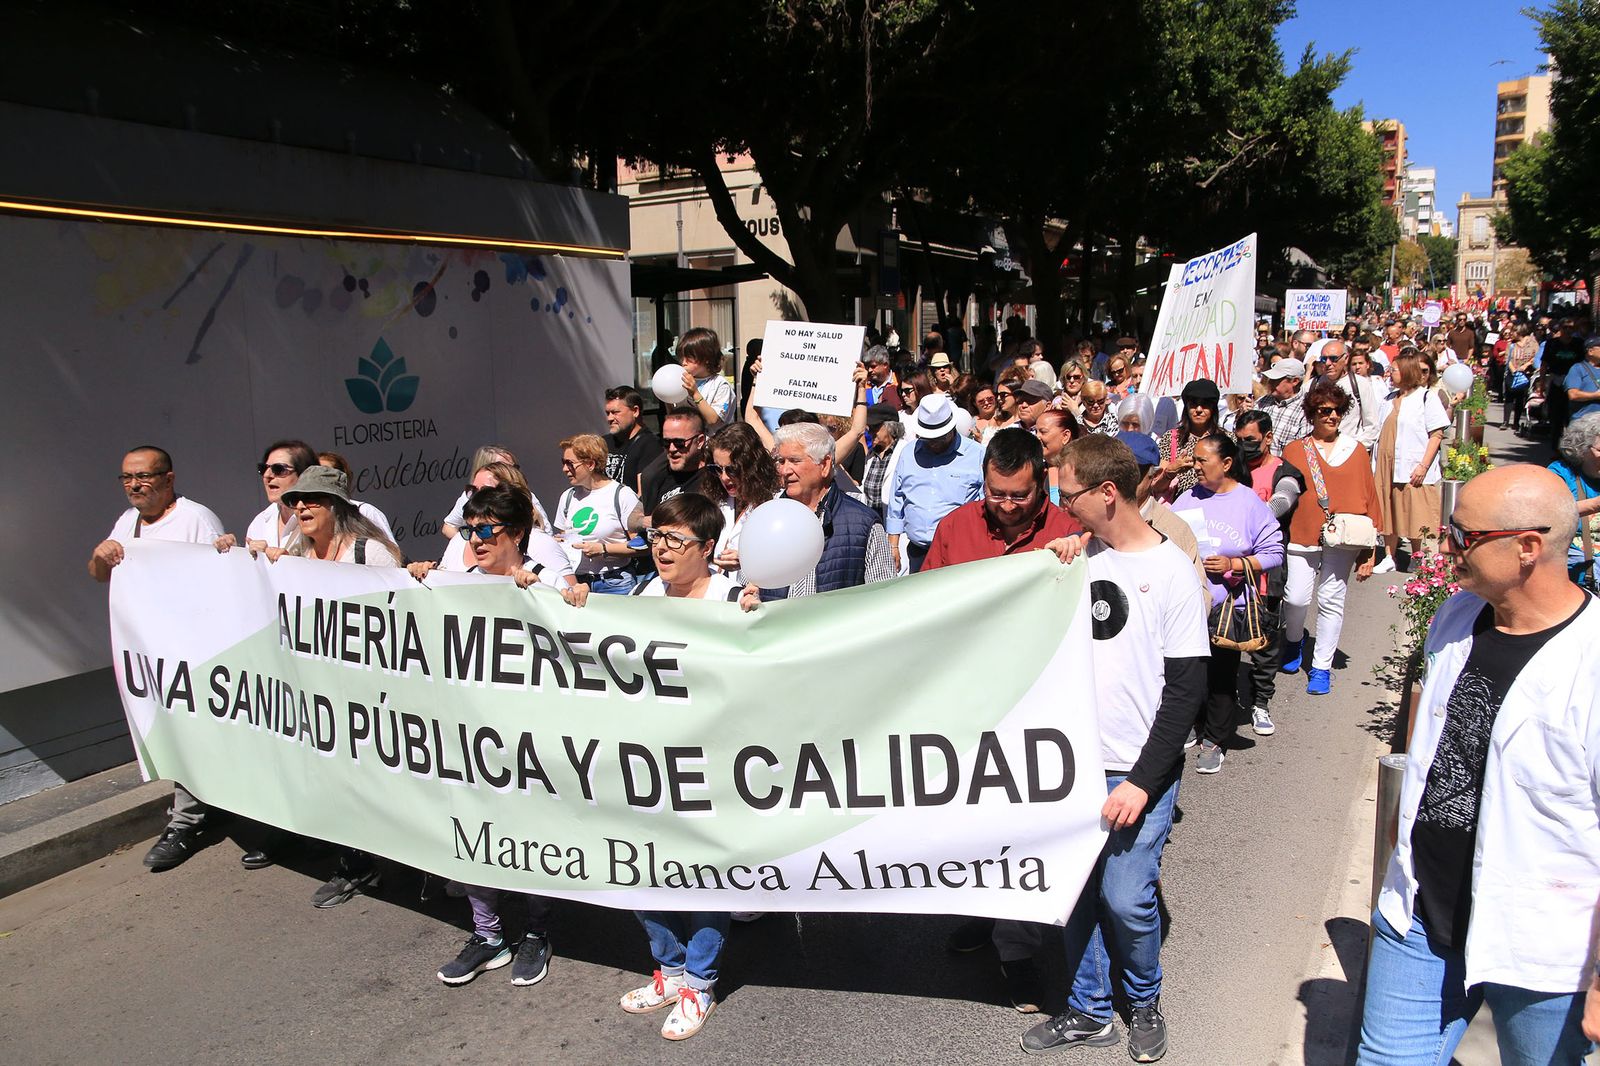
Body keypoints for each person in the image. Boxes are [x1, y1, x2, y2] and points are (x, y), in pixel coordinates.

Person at [1355, 465, 1600, 1066]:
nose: (1444, 547)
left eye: (1463, 536)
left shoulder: (1590, 665)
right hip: (1419, 912)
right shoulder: (1457, 616)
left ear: (1527, 547)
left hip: (1545, 945)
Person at [1020, 434, 1210, 1061]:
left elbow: (1185, 695)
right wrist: (1063, 553)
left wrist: (1143, 780)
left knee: (1126, 897)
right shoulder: (1078, 557)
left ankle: (1145, 997)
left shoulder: (1173, 572)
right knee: (1076, 893)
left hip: (1137, 769)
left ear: (1107, 494)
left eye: (1066, 496)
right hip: (1073, 764)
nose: (1058, 506)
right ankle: (1089, 1009)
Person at [427, 486, 563, 986]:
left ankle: (536, 932)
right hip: (471, 736)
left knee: (528, 835)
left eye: (487, 529)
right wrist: (421, 581)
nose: (476, 540)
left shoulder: (546, 579)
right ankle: (487, 937)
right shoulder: (454, 583)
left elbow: (581, 617)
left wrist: (546, 591)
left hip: (531, 738)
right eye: (469, 529)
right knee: (473, 832)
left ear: (519, 532)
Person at [267, 465, 400, 906]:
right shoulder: (293, 555)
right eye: (296, 500)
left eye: (313, 500)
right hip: (316, 688)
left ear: (337, 507)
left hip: (367, 690)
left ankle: (410, 851)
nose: (301, 506)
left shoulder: (370, 555)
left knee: (374, 777)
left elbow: (400, 620)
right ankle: (357, 866)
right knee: (334, 775)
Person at [89, 446, 226, 872]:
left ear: (168, 478)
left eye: (144, 476)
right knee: (173, 734)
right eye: (127, 478)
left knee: (195, 733)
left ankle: (186, 823)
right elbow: (99, 574)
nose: (134, 485)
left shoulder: (195, 519)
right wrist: (100, 554)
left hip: (195, 652)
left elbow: (221, 583)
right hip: (150, 654)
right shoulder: (128, 523)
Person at [1172, 435, 1283, 773]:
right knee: (1189, 673)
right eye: (1194, 460)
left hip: (1228, 608)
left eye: (1202, 461)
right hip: (1189, 604)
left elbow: (1274, 553)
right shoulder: (1186, 499)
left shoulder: (1248, 503)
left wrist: (1233, 565)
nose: (1196, 467)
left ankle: (1214, 740)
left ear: (1226, 463)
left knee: (1221, 676)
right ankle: (1192, 724)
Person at [1277, 383, 1381, 697]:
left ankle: (1321, 666)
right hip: (1302, 533)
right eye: (1325, 410)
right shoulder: (1295, 450)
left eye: (1337, 410)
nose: (1332, 416)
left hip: (1344, 537)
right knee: (1295, 598)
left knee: (1332, 600)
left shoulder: (1357, 450)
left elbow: (1370, 496)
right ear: (1312, 414)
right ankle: (1294, 640)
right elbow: (1285, 495)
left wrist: (1370, 551)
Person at [1233, 411, 1304, 736]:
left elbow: (1282, 501)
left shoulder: (1285, 473)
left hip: (1265, 574)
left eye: (1251, 440)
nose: (1245, 446)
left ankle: (1261, 702)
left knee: (1263, 643)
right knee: (1226, 641)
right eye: (1240, 439)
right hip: (1230, 574)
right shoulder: (1231, 466)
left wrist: (1245, 514)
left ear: (1268, 437)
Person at [765, 422, 895, 596]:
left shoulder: (864, 525)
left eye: (794, 461)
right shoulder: (767, 519)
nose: (784, 470)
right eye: (781, 461)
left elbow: (884, 599)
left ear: (825, 465)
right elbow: (749, 585)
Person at [885, 394, 984, 573]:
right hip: (918, 554)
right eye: (927, 437)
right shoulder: (909, 454)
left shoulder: (977, 455)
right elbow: (897, 499)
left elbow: (986, 503)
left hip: (960, 554)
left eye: (938, 437)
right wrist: (893, 545)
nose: (933, 443)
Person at [1375, 353, 1450, 560]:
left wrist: (1423, 466)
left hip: (1412, 464)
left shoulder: (1426, 397)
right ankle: (1389, 556)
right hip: (1386, 464)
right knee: (1388, 509)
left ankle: (1419, 558)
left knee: (1417, 513)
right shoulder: (1389, 398)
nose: (1390, 373)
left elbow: (1436, 434)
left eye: (1395, 369)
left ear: (1407, 372)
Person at [552, 433, 645, 594]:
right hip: (578, 583)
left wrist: (603, 549)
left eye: (570, 463)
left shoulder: (621, 495)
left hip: (615, 583)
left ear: (590, 464)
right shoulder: (567, 497)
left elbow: (642, 545)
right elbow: (564, 537)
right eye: (563, 462)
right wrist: (559, 541)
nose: (564, 469)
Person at [705, 421, 781, 577]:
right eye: (717, 469)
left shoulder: (777, 503)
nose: (724, 477)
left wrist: (748, 559)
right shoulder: (714, 500)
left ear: (752, 465)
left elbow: (785, 553)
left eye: (732, 469)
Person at [1153, 378, 1227, 502]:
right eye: (1193, 403)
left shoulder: (1226, 440)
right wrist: (1170, 472)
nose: (1198, 409)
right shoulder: (1171, 438)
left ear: (1213, 408)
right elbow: (1157, 487)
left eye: (1205, 404)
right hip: (1178, 511)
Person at [1549, 412, 1600, 588]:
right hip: (1579, 569)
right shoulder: (1561, 473)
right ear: (1582, 448)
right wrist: (1595, 504)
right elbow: (1545, 513)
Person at [639, 406, 713, 521]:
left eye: (679, 443)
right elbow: (634, 517)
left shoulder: (712, 481)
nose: (672, 449)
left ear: (700, 441)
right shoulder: (657, 475)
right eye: (666, 442)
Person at [604, 385, 664, 494]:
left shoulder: (650, 445)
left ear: (635, 411)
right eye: (607, 413)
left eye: (615, 412)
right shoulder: (602, 443)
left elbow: (643, 495)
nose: (610, 418)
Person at [676, 326, 734, 427]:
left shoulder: (720, 385)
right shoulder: (681, 381)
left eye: (689, 357)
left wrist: (695, 393)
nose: (684, 362)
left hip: (714, 441)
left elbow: (713, 420)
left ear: (706, 357)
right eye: (682, 357)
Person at [861, 404, 907, 521]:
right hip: (871, 520)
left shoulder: (905, 452)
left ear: (890, 427)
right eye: (869, 427)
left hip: (894, 522)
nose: (870, 432)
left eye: (875, 427)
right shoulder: (871, 455)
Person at [1503, 323, 1537, 433]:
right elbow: (1507, 358)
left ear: (1520, 332)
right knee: (1509, 397)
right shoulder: (1511, 344)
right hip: (1512, 373)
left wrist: (1526, 366)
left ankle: (1516, 422)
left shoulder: (1532, 343)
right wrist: (1513, 369)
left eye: (1513, 332)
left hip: (1525, 374)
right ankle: (1505, 421)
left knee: (1519, 398)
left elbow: (1535, 357)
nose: (1511, 334)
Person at [1564, 335, 1600, 422]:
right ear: (1590, 351)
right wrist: (1596, 395)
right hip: (1583, 422)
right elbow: (1573, 395)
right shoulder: (1577, 369)